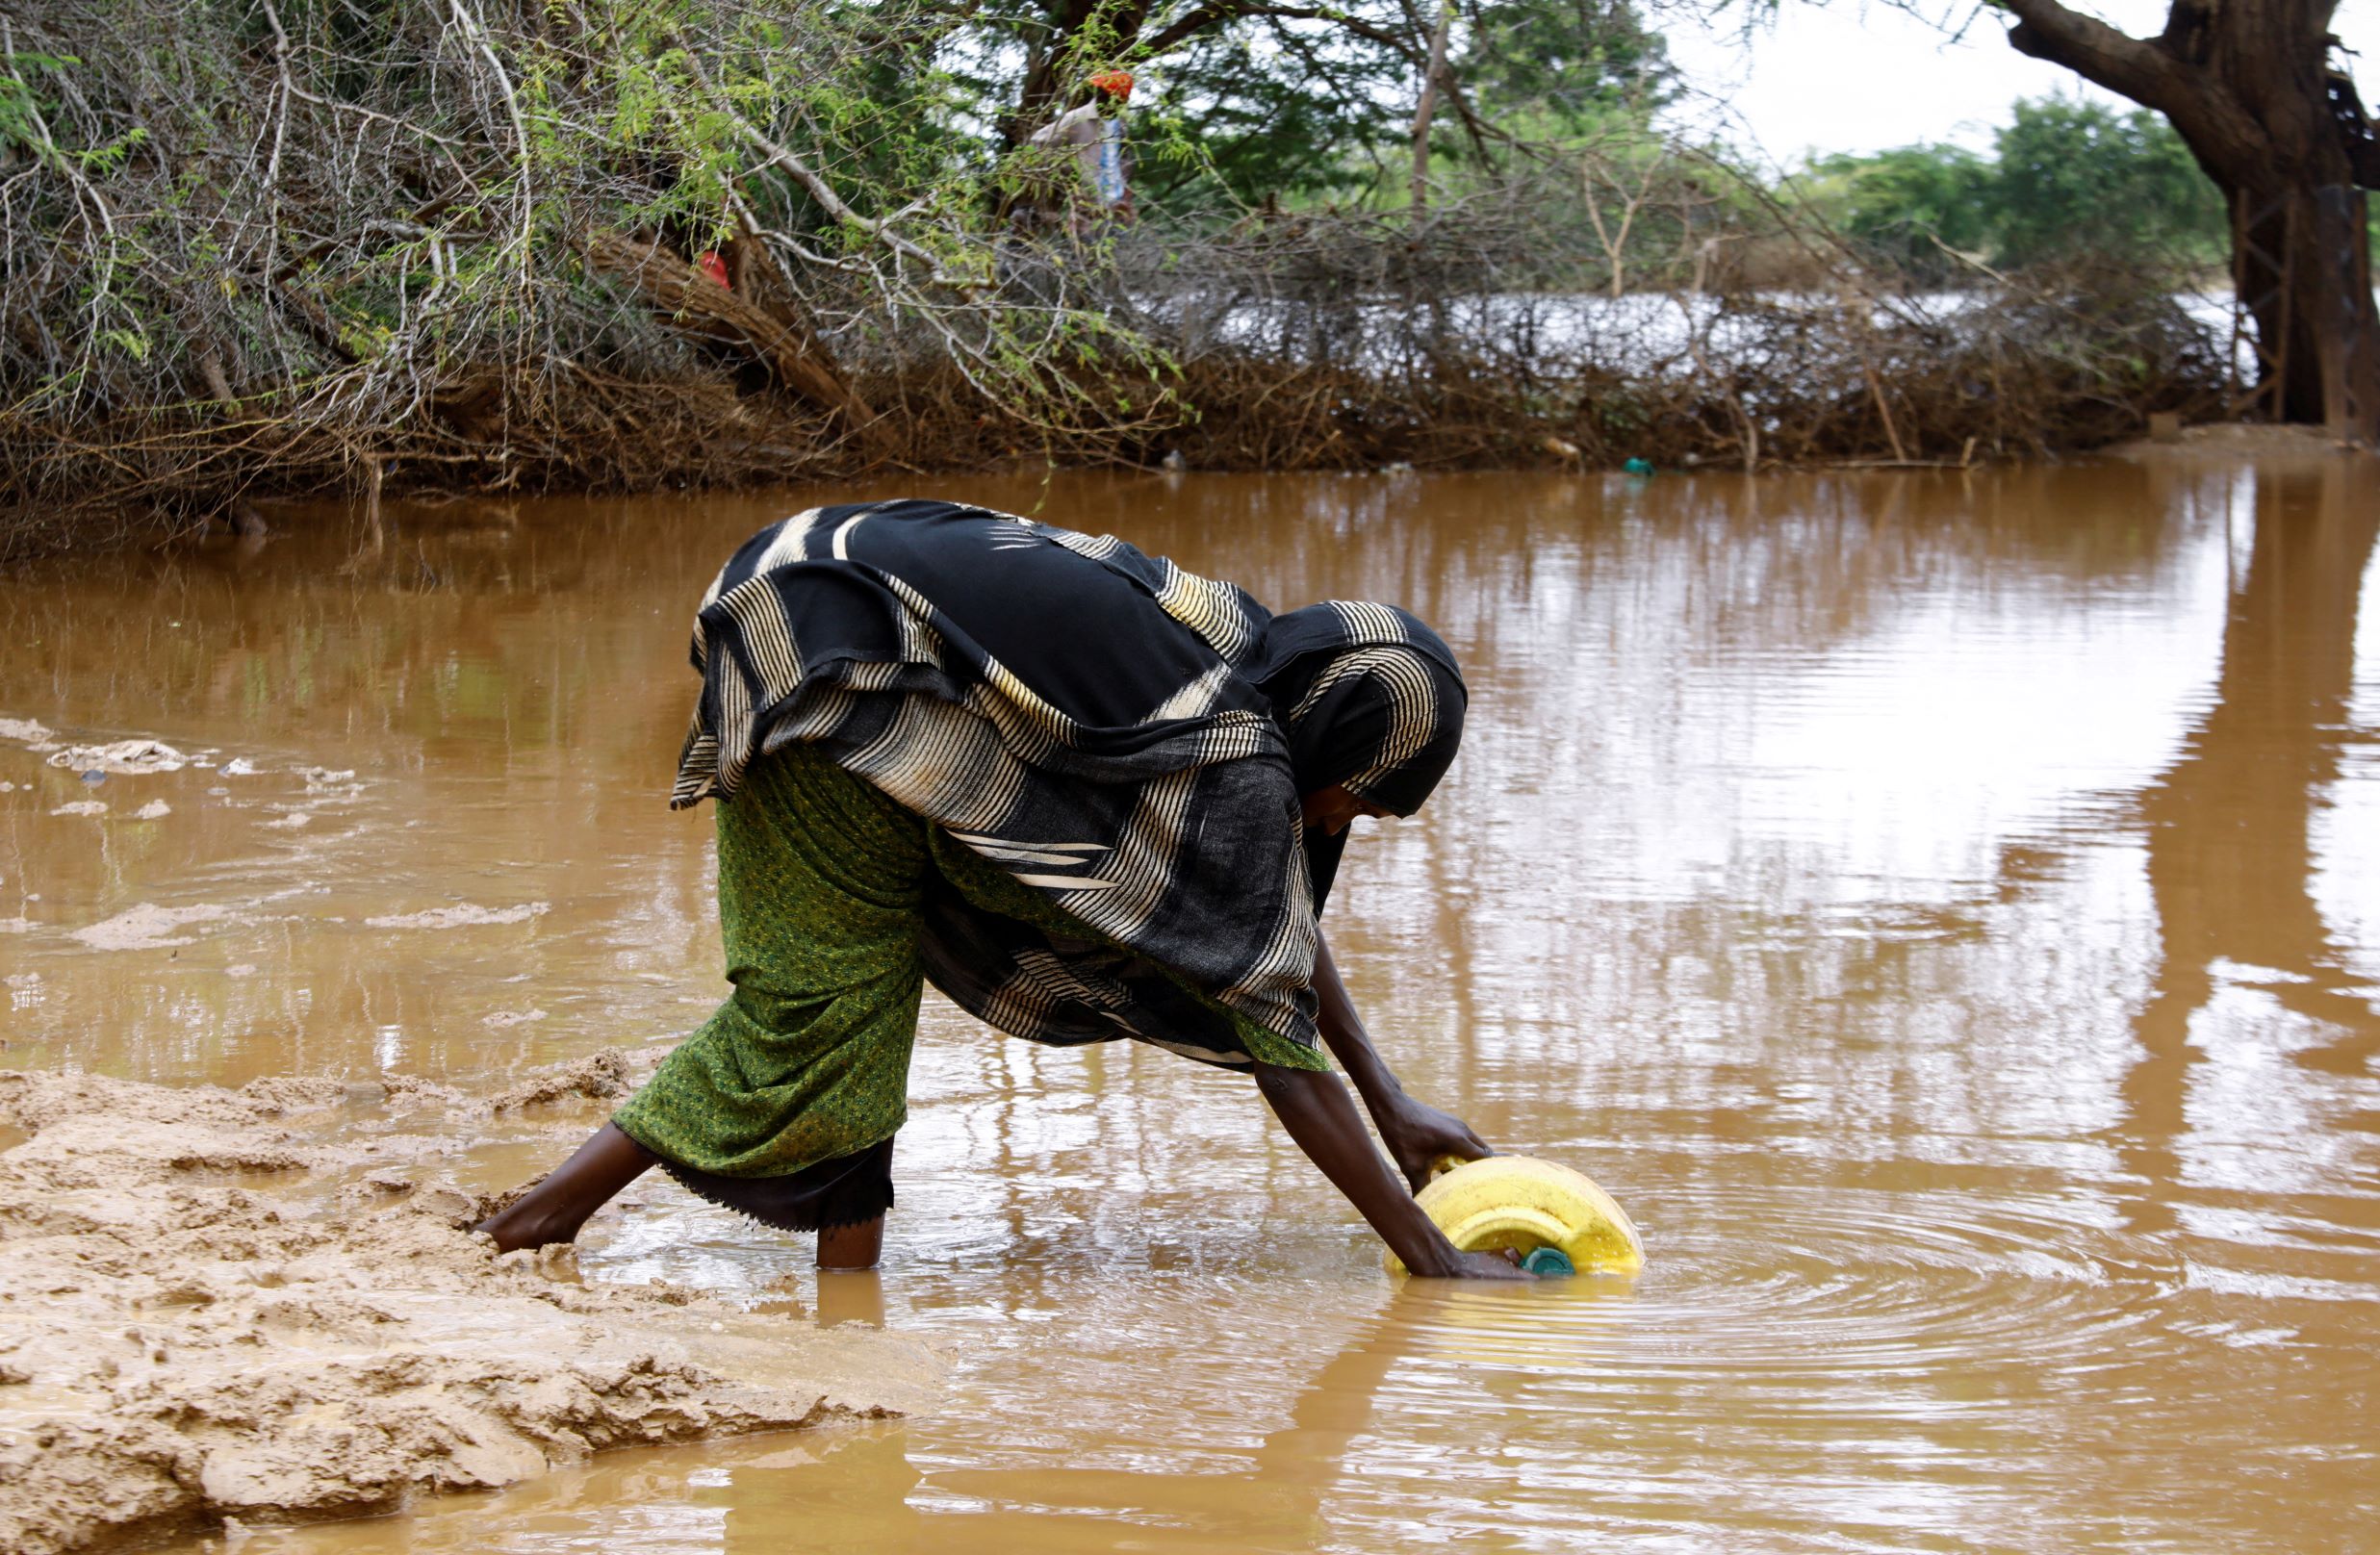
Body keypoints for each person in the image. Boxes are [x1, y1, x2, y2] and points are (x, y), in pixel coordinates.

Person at [476, 497, 1528, 1281]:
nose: (1341, 819)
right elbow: (1273, 1033)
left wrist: (1388, 1098)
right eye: (1361, 794)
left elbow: (1262, 931)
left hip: (812, 607)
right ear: (1336, 727)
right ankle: (535, 1225)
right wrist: (1428, 1257)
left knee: (857, 999)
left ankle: (848, 1309)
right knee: (812, 1008)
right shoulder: (1235, 748)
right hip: (834, 665)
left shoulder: (1239, 655)